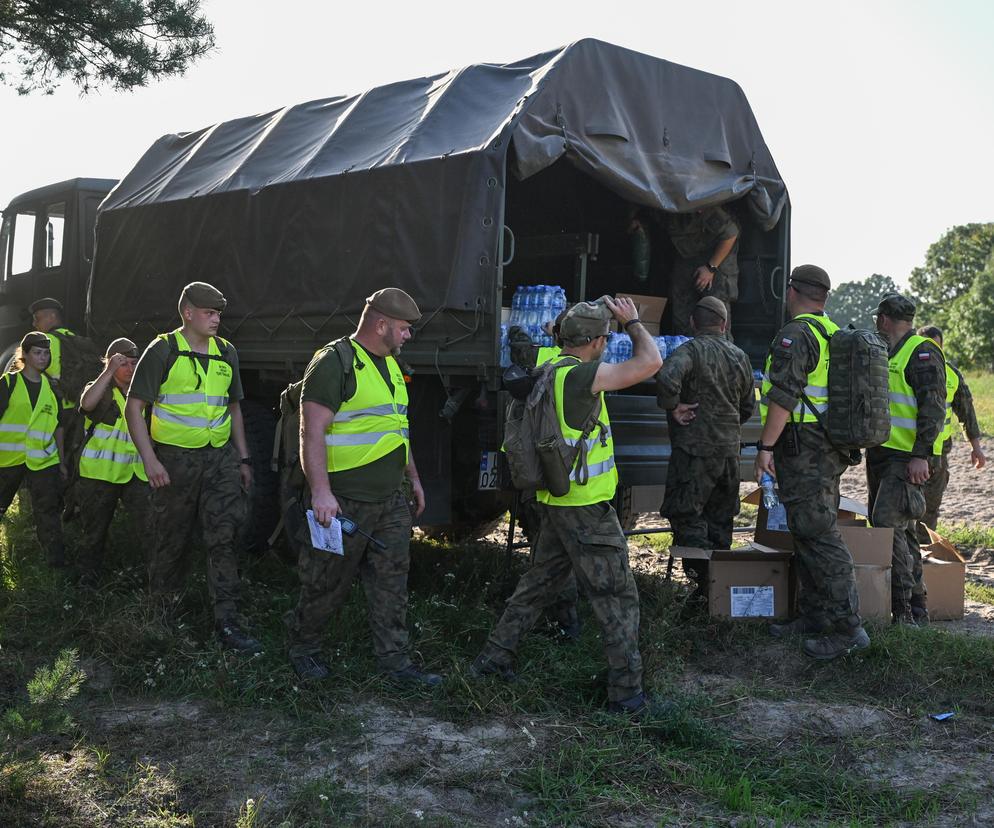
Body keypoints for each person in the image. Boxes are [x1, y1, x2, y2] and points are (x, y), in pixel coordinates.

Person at [472, 296, 663, 716]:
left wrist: (579, 321)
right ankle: (627, 696)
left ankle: (493, 659)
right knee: (616, 597)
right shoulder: (583, 378)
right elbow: (650, 362)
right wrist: (632, 323)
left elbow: (553, 336)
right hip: (586, 508)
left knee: (538, 584)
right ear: (596, 342)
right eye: (603, 338)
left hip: (554, 502)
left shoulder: (548, 366)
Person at [285, 287, 439, 687]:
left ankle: (396, 664)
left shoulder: (391, 366)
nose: (408, 336)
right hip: (343, 501)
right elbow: (310, 431)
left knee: (392, 582)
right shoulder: (335, 361)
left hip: (390, 500)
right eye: (404, 329)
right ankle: (304, 648)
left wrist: (415, 479)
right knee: (325, 580)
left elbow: (396, 430)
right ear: (381, 324)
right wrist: (320, 492)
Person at [124, 282, 259, 652]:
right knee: (172, 538)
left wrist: (243, 457)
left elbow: (233, 409)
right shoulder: (163, 349)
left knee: (225, 537)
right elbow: (134, 407)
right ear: (188, 313)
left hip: (219, 460)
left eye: (218, 314)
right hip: (174, 461)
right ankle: (162, 617)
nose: (216, 319)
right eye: (209, 313)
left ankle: (228, 622)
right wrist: (150, 459)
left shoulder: (226, 352)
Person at [755, 265, 869, 660]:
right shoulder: (830, 331)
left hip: (804, 447)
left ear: (792, 291)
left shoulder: (796, 334)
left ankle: (847, 628)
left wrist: (764, 447)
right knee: (806, 529)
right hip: (826, 446)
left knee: (819, 534)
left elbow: (784, 397)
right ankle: (815, 616)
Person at [656, 296, 754, 608]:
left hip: (694, 454)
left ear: (694, 323)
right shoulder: (740, 357)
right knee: (721, 521)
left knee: (688, 517)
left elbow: (666, 378)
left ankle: (700, 592)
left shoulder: (689, 351)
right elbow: (749, 406)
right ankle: (719, 596)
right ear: (724, 325)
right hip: (729, 456)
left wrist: (674, 408)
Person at [868, 294, 946, 624]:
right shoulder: (887, 351)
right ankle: (917, 607)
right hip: (883, 456)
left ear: (884, 319)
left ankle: (903, 614)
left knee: (888, 526)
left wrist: (920, 456)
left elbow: (934, 410)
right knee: (905, 531)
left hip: (906, 459)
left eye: (878, 320)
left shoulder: (923, 353)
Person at [73, 338, 149, 585]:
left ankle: (149, 577)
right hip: (99, 474)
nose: (130, 368)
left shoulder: (142, 393)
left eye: (134, 363)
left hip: (134, 473)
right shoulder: (101, 390)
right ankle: (87, 579)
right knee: (94, 532)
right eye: (123, 363)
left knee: (150, 527)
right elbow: (86, 404)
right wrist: (107, 371)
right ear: (110, 363)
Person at [0, 332, 67, 567]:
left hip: (42, 461)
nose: (43, 357)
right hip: (7, 460)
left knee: (48, 513)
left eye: (46, 353)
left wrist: (61, 460)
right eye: (37, 353)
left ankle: (56, 565)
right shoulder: (7, 383)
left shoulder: (51, 388)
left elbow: (58, 425)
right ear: (25, 355)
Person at [915, 325, 986, 543]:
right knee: (905, 510)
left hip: (938, 454)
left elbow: (967, 412)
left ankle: (924, 556)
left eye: (937, 347)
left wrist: (976, 448)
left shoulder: (952, 374)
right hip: (909, 450)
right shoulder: (908, 368)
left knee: (930, 510)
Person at [629, 206, 739, 337]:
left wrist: (711, 267)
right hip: (687, 254)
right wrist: (637, 220)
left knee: (715, 312)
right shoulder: (666, 202)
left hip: (716, 258)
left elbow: (731, 234)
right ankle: (686, 348)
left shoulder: (708, 205)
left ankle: (720, 352)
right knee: (681, 306)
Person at [29, 297, 82, 417]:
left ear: (52, 316)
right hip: (75, 406)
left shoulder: (43, 341)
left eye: (37, 318)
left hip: (51, 407)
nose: (34, 324)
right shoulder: (73, 338)